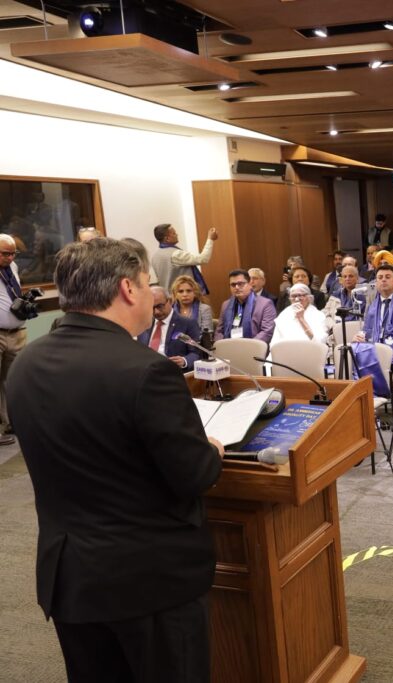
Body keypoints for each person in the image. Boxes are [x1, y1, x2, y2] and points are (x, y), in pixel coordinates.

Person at [8, 237, 224, 681]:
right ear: (128, 289)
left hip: (72, 578)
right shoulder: (146, 370)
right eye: (148, 284)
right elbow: (194, 474)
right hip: (149, 584)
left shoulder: (26, 363)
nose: (151, 293)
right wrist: (213, 450)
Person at [0, 234, 27, 444]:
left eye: (13, 253)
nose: (10, 258)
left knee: (14, 379)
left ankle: (12, 423)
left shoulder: (13, 267)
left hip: (17, 332)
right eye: (5, 254)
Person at [137, 285, 201, 371]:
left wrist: (184, 361)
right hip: (146, 371)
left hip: (172, 373)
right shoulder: (144, 324)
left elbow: (196, 354)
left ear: (170, 301)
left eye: (160, 306)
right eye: (151, 307)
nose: (156, 312)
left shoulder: (187, 323)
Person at [149, 223, 217, 293]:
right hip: (183, 297)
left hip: (168, 298)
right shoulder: (176, 254)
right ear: (167, 238)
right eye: (174, 233)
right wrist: (210, 239)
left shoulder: (154, 257)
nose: (177, 235)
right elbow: (203, 259)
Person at [215, 269, 276, 344]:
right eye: (233, 285)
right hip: (229, 348)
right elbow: (219, 331)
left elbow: (267, 332)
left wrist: (246, 347)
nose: (236, 287)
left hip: (254, 349)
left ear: (250, 284)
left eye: (240, 284)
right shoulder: (226, 305)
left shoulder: (265, 304)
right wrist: (221, 346)